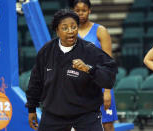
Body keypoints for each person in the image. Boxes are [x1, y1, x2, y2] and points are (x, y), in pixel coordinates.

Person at [25, 9, 117, 131]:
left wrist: (89, 69)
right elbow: (35, 81)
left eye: (74, 27)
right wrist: (32, 108)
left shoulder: (90, 51)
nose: (70, 32)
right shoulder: (46, 52)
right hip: (53, 115)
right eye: (65, 28)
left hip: (86, 115)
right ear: (57, 30)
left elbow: (109, 78)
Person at [70, 0, 118, 131]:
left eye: (84, 10)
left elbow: (109, 64)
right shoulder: (69, 32)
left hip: (100, 85)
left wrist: (107, 91)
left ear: (89, 10)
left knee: (107, 124)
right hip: (79, 88)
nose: (81, 13)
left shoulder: (100, 31)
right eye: (77, 10)